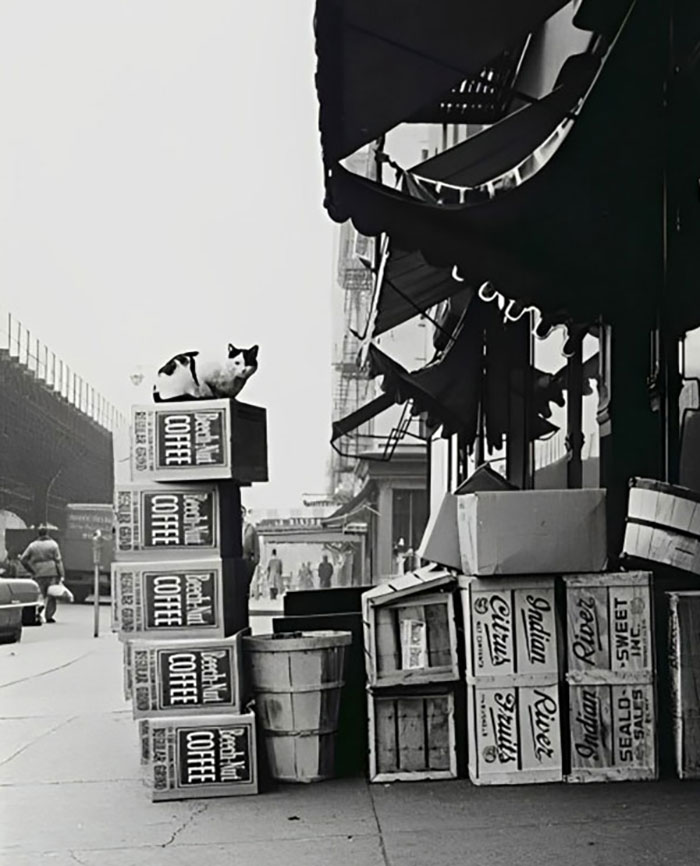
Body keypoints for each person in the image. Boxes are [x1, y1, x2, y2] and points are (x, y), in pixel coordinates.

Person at [20, 526, 65, 624]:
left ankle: (38, 609)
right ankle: (49, 616)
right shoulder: (53, 545)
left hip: (38, 572)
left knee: (39, 593)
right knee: (51, 594)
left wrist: (30, 569)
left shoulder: (33, 545)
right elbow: (58, 560)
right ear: (47, 533)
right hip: (52, 571)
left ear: (38, 534)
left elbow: (23, 559)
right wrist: (61, 574)